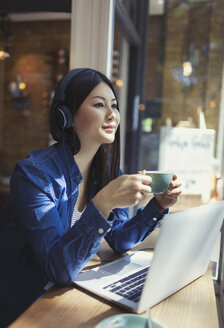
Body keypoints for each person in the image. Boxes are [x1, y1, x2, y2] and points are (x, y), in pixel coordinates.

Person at [0, 68, 181, 327]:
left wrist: (159, 205)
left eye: (114, 106)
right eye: (98, 104)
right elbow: (58, 269)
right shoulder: (35, 174)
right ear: (67, 116)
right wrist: (103, 203)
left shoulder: (106, 172)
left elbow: (118, 240)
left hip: (62, 299)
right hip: (25, 308)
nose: (112, 115)